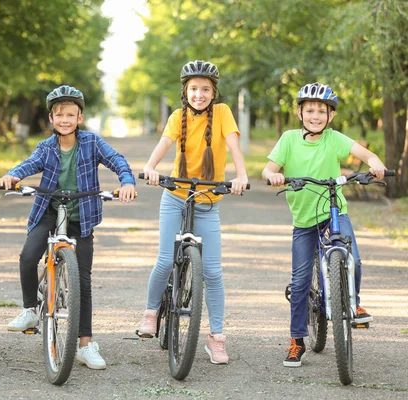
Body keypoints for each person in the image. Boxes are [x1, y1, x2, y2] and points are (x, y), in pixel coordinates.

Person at [0, 85, 136, 370]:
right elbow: (29, 165)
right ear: (51, 119)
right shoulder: (46, 147)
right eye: (59, 115)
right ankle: (29, 310)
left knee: (82, 281)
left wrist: (127, 181)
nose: (65, 120)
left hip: (80, 215)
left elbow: (117, 160)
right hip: (48, 210)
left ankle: (85, 345)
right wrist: (11, 175)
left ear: (80, 117)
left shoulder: (92, 143)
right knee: (28, 256)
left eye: (70, 115)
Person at [261, 82, 387, 367]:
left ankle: (352, 304)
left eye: (321, 111)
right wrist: (274, 175)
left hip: (334, 212)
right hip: (304, 220)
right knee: (301, 281)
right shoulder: (289, 139)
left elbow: (364, 154)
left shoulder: (334, 139)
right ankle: (296, 340)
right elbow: (268, 168)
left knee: (352, 257)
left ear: (330, 116)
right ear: (299, 113)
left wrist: (375, 163)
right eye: (310, 110)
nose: (315, 116)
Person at [136, 60, 248, 365]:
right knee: (164, 258)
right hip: (175, 196)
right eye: (194, 88)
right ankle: (150, 313)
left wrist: (240, 175)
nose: (200, 94)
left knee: (212, 271)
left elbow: (234, 146)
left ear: (214, 92)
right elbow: (164, 144)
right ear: (186, 90)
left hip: (208, 201)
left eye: (206, 89)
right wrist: (150, 167)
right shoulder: (178, 116)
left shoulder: (223, 113)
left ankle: (217, 338)